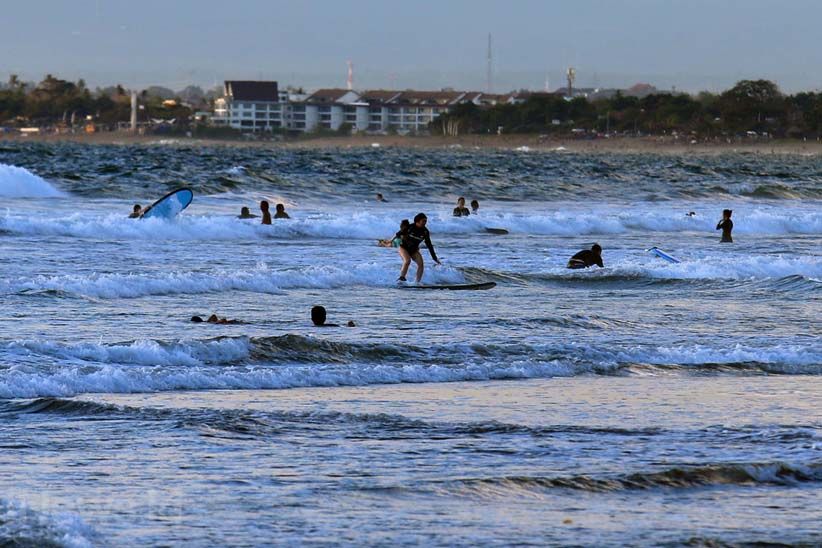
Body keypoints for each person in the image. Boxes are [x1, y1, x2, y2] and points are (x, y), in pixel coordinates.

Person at [398, 213, 441, 283]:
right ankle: (401, 279)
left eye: (426, 221)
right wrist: (389, 242)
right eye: (423, 221)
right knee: (407, 261)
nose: (425, 223)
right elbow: (398, 234)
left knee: (421, 264)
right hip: (403, 248)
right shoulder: (410, 227)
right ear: (417, 221)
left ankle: (417, 283)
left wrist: (434, 258)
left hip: (414, 250)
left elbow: (429, 245)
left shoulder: (425, 232)